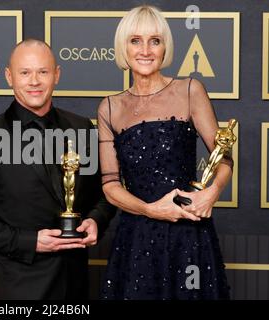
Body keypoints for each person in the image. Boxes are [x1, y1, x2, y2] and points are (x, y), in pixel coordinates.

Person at [0, 39, 116, 300]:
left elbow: (104, 195)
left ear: (57, 75)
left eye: (43, 72)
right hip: (19, 287)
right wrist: (29, 242)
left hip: (75, 284)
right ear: (9, 77)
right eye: (25, 73)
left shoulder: (82, 128)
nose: (34, 81)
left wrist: (96, 220)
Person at [97, 5, 232, 299]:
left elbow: (223, 159)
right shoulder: (109, 107)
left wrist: (212, 192)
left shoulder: (190, 90)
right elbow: (109, 186)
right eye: (136, 41)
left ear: (164, 47)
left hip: (188, 233)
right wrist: (149, 209)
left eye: (154, 40)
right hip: (136, 236)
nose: (145, 50)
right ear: (124, 47)